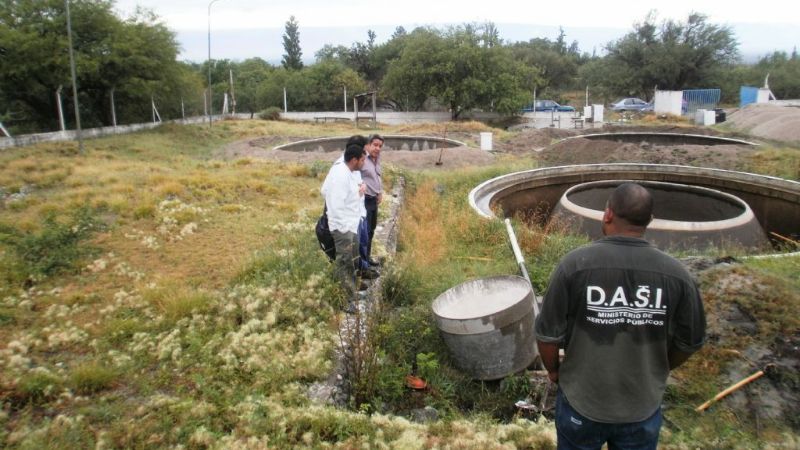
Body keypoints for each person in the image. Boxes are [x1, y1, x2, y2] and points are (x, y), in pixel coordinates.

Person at [535, 182, 706, 450]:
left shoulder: (575, 266)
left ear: (608, 214)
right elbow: (690, 343)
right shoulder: (677, 275)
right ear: (649, 220)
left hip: (582, 401)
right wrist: (659, 368)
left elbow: (547, 334)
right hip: (641, 406)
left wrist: (554, 371)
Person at [321, 143, 368, 300]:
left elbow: (345, 196)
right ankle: (343, 298)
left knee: (352, 260)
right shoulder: (340, 174)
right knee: (344, 261)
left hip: (350, 224)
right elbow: (334, 204)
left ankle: (351, 292)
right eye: (362, 160)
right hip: (343, 227)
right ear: (354, 160)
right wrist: (342, 229)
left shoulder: (348, 172)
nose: (363, 164)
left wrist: (358, 192)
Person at [360, 134, 384, 267]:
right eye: (375, 145)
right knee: (364, 232)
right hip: (364, 201)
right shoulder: (362, 159)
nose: (378, 148)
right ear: (368, 145)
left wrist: (379, 192)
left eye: (380, 146)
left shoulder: (377, 159)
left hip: (374, 200)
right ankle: (363, 266)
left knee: (371, 230)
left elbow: (377, 176)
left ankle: (367, 259)